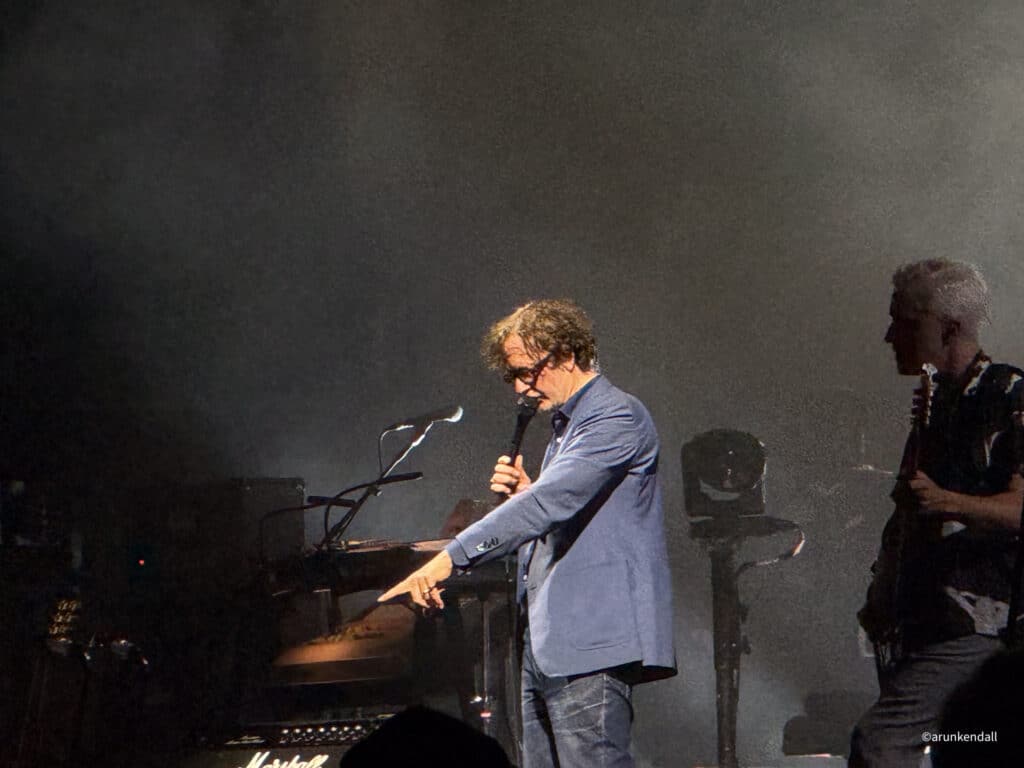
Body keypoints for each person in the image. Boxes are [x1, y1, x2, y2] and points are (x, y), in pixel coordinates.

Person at [379, 298, 676, 768]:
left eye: (526, 372)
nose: (520, 388)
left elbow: (546, 505)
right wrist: (527, 490)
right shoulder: (567, 428)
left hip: (589, 642)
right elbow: (559, 509)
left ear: (566, 355)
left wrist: (448, 559)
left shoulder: (617, 416)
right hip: (548, 644)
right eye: (511, 376)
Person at [850, 259, 1024, 767]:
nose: (890, 336)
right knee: (963, 748)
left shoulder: (1007, 394)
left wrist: (948, 502)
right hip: (930, 629)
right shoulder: (936, 405)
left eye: (905, 322)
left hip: (983, 630)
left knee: (881, 743)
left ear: (948, 328)